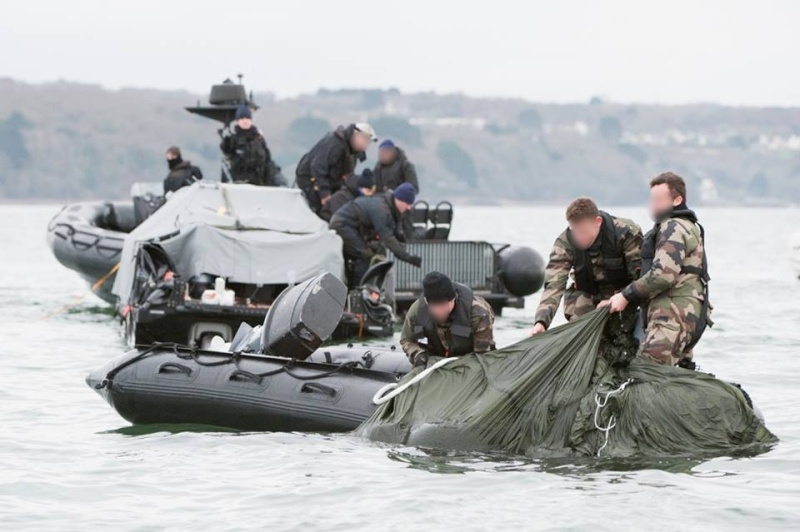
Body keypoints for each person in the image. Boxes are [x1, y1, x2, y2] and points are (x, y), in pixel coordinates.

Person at [601, 172, 711, 367]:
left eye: (659, 200)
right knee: (676, 373)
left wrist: (625, 296)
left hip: (673, 316)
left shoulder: (672, 227)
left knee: (646, 373)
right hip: (684, 314)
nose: (654, 205)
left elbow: (663, 275)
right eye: (652, 200)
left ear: (677, 200)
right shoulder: (686, 226)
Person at [532, 198, 642, 335]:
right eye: (575, 231)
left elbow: (641, 277)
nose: (578, 237)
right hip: (589, 294)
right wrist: (541, 322)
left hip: (623, 293)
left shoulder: (626, 232)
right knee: (579, 327)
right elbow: (553, 285)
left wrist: (623, 296)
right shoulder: (565, 242)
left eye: (583, 231)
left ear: (598, 222)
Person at [329, 182, 422, 288]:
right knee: (364, 255)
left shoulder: (388, 205)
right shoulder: (381, 210)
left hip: (353, 226)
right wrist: (407, 257)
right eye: (408, 203)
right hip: (342, 225)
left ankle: (363, 288)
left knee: (373, 251)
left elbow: (392, 230)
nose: (409, 207)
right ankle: (358, 291)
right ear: (399, 200)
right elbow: (387, 238)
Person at [400, 271, 495, 367]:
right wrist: (418, 354)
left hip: (468, 359)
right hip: (435, 359)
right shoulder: (417, 311)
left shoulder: (478, 313)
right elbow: (406, 340)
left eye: (443, 305)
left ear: (453, 299)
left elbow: (483, 356)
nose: (439, 311)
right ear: (426, 302)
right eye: (434, 306)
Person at [296, 123, 378, 215]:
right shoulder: (334, 144)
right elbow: (318, 167)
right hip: (311, 180)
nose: (366, 146)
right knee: (323, 211)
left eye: (368, 142)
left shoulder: (352, 152)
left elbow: (348, 175)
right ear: (356, 135)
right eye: (365, 140)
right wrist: (325, 193)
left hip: (331, 182)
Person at [220, 105, 277, 186]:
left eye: (247, 119)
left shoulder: (259, 139)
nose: (245, 121)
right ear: (237, 121)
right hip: (238, 184)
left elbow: (267, 161)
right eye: (242, 119)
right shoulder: (233, 139)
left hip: (259, 183)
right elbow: (226, 150)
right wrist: (226, 139)